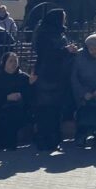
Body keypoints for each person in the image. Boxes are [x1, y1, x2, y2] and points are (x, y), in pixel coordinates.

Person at [32, 8, 78, 151]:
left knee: (56, 109)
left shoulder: (59, 33)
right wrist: (66, 50)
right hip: (47, 75)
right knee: (46, 109)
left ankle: (54, 139)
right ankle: (44, 139)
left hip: (59, 76)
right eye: (63, 18)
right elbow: (48, 54)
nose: (65, 20)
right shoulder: (45, 34)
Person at [0, 52, 34, 149]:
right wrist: (6, 98)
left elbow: (31, 95)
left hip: (18, 111)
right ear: (4, 63)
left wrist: (22, 94)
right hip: (1, 111)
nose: (13, 64)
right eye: (10, 61)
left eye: (15, 61)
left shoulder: (23, 78)